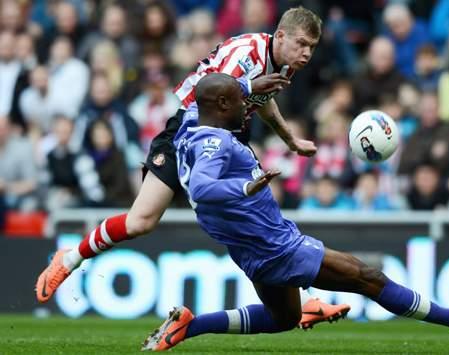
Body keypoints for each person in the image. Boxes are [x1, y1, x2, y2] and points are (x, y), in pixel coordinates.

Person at [36, 7, 349, 330]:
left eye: (312, 46)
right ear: (280, 36)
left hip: (229, 142)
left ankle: (307, 298)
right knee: (140, 221)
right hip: (190, 131)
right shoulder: (246, 52)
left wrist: (290, 139)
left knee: (263, 219)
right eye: (302, 44)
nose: (307, 53)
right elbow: (212, 95)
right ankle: (70, 258)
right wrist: (252, 88)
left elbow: (262, 97)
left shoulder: (283, 61)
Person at [141, 73, 449, 351]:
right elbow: (203, 187)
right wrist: (244, 187)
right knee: (368, 277)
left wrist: (249, 84)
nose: (245, 107)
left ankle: (190, 325)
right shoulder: (214, 141)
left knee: (283, 318)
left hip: (251, 249)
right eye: (239, 102)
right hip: (275, 245)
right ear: (220, 104)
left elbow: (210, 99)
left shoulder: (189, 124)